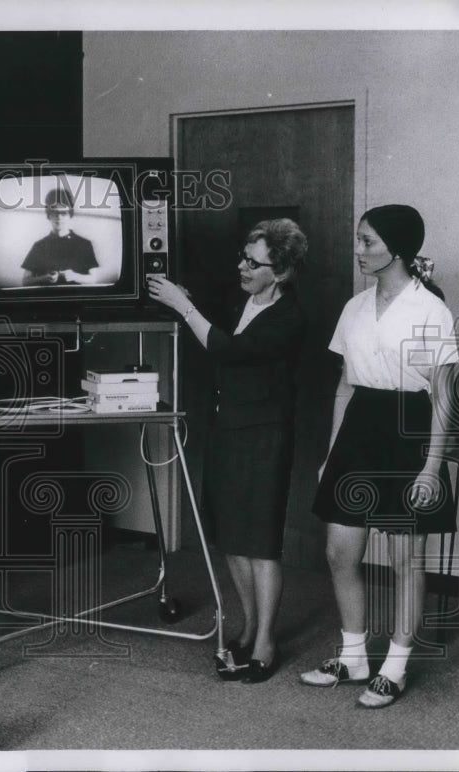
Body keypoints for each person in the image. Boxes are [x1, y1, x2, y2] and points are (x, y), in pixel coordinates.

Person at [300, 204, 457, 708]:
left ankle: (395, 667)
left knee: (406, 559)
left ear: (398, 249)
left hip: (409, 431)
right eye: (359, 239)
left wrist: (431, 469)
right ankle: (352, 657)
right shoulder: (354, 307)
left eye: (367, 241)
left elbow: (443, 396)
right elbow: (346, 385)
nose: (359, 250)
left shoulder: (430, 310)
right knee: (340, 552)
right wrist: (331, 454)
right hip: (360, 428)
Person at [148, 218, 308, 683]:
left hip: (264, 437)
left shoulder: (290, 317)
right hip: (228, 430)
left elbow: (227, 349)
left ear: (280, 272)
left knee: (260, 543)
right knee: (232, 538)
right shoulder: (243, 299)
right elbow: (218, 327)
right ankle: (250, 625)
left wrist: (183, 307)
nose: (242, 267)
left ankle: (266, 642)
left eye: (253, 263)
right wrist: (189, 301)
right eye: (243, 257)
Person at [21, 187, 99, 285]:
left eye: (64, 213)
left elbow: (93, 279)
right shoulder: (39, 246)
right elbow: (25, 281)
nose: (59, 217)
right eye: (54, 213)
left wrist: (75, 276)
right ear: (48, 215)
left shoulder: (84, 244)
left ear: (70, 214)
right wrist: (45, 278)